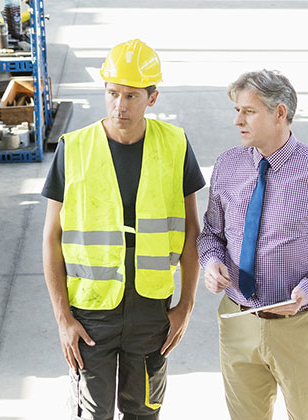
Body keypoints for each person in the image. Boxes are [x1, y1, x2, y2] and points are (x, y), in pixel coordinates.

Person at [41, 39, 206, 420]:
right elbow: (51, 238)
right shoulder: (74, 148)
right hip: (91, 310)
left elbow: (192, 232)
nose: (120, 106)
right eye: (113, 93)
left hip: (151, 309)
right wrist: (63, 318)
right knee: (92, 412)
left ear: (152, 97)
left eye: (131, 96)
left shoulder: (175, 145)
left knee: (144, 410)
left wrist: (186, 305)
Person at [197, 69, 308, 419]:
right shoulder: (228, 166)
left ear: (279, 113)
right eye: (236, 110)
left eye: (248, 111)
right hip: (237, 319)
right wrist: (210, 262)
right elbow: (211, 234)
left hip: (300, 326)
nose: (237, 121)